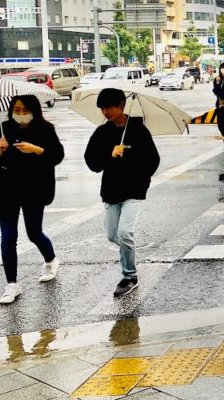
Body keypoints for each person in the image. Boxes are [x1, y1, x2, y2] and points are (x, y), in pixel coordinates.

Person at [84, 88, 161, 297]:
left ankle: (130, 276)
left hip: (134, 190)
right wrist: (109, 154)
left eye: (110, 107)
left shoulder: (138, 130)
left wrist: (141, 178)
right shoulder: (102, 132)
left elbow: (153, 159)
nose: (106, 112)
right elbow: (92, 162)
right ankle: (130, 252)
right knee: (112, 235)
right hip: (110, 190)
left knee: (125, 233)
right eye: (102, 108)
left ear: (121, 106)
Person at [0, 95, 64, 305]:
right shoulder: (4, 128)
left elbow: (57, 156)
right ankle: (12, 284)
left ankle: (51, 260)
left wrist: (37, 150)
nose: (21, 114)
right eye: (17, 109)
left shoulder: (45, 129)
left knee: (34, 232)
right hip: (7, 189)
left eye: (25, 110)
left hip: (35, 189)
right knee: (8, 236)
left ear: (33, 110)